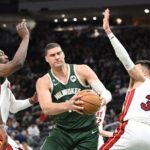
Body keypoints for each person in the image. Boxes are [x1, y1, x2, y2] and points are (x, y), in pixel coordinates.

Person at [36, 42, 112, 150]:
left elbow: (106, 93)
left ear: (63, 54)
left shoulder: (82, 70)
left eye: (59, 53)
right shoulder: (44, 81)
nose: (57, 57)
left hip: (88, 132)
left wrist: (103, 100)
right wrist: (68, 105)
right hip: (62, 132)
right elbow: (46, 109)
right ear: (46, 59)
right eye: (52, 55)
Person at [100, 9, 150, 150]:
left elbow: (125, 59)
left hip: (132, 128)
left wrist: (109, 32)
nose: (134, 69)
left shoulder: (141, 80)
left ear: (145, 72)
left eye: (137, 67)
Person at [0, 21, 38, 150]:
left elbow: (13, 108)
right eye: (1, 54)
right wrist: (26, 37)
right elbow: (17, 63)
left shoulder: (5, 82)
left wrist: (31, 100)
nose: (6, 56)